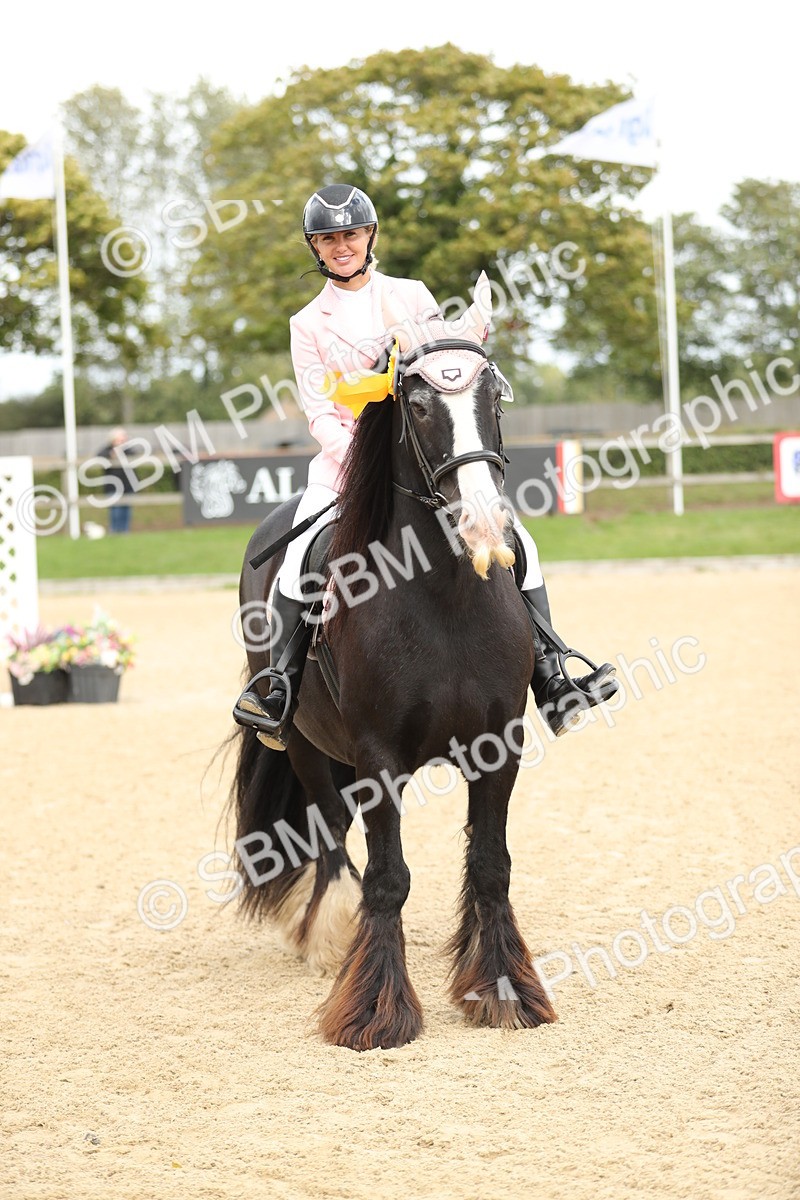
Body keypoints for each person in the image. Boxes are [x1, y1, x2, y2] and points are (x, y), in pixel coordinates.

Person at [234, 184, 618, 749]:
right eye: (329, 238)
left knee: (518, 539)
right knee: (297, 558)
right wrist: (358, 468)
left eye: (351, 234)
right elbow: (319, 411)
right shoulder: (307, 323)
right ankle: (280, 685)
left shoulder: (412, 295)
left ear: (370, 237)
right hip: (344, 468)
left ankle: (552, 674)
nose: (342, 246)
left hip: (424, 456)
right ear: (315, 248)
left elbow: (445, 372)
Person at [98, 427, 134, 534]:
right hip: (112, 486)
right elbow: (99, 458)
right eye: (120, 439)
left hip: (127, 486)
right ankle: (114, 532)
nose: (123, 441)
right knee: (115, 511)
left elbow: (135, 457)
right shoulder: (107, 450)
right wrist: (111, 455)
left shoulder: (128, 450)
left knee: (126, 511)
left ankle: (125, 532)